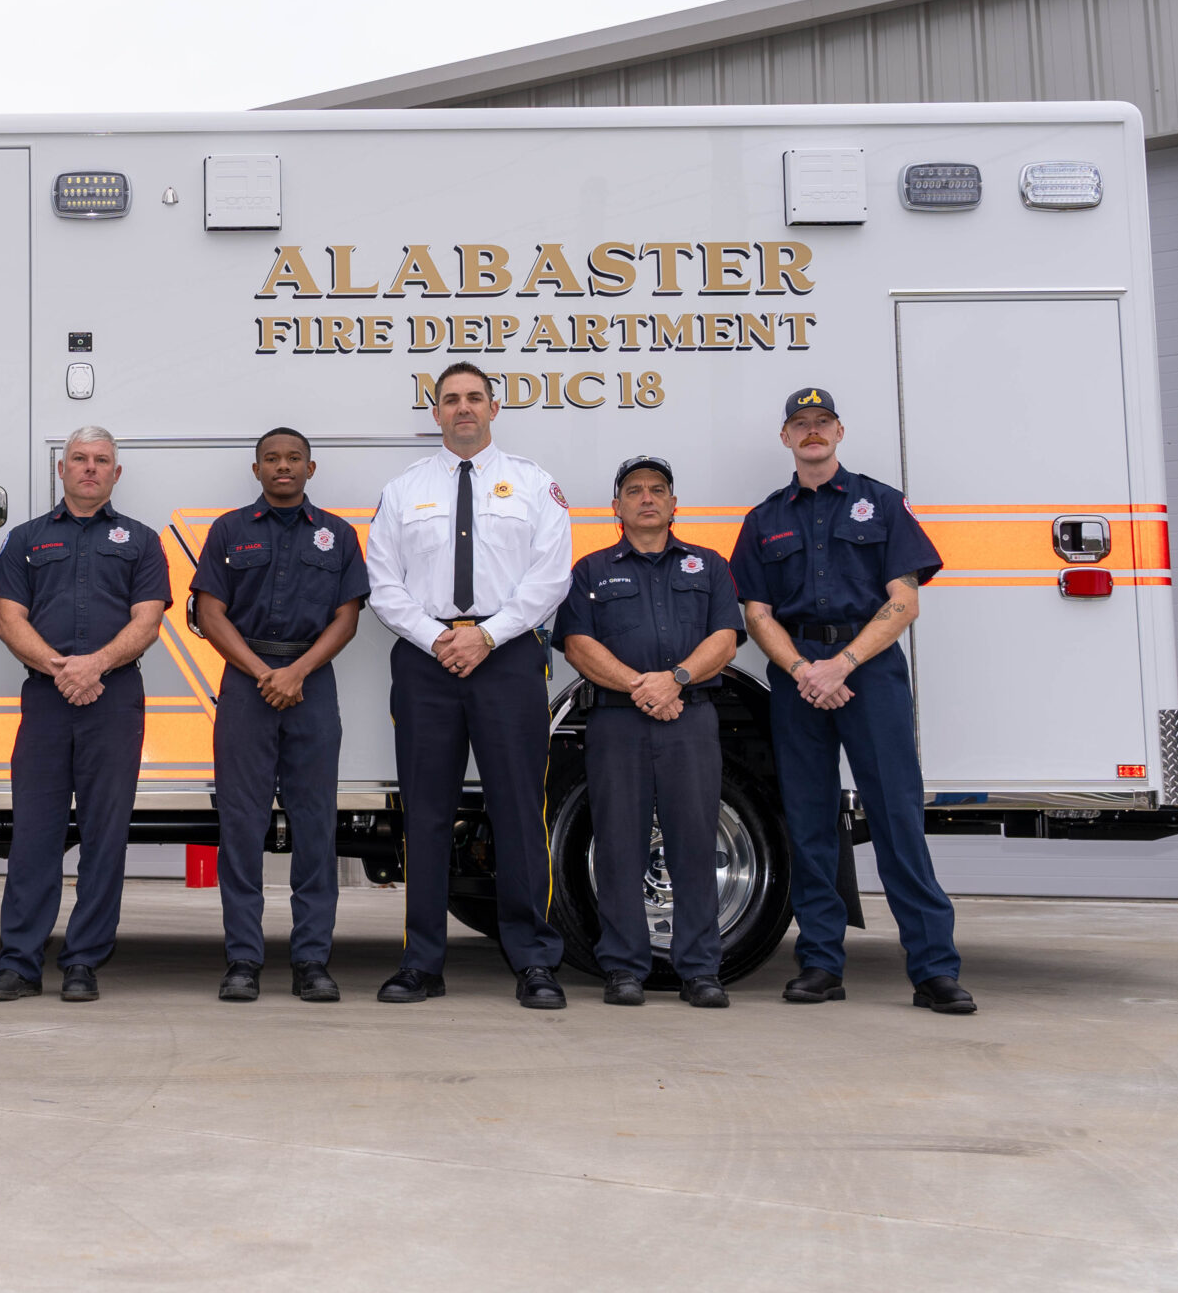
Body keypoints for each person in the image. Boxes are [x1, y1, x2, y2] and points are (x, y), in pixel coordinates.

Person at [730, 387, 975, 1014]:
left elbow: (905, 598)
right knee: (810, 824)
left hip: (869, 674)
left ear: (839, 431)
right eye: (800, 424)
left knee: (897, 818)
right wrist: (804, 670)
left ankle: (933, 969)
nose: (812, 432)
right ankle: (819, 963)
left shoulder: (881, 504)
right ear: (785, 438)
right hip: (797, 677)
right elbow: (756, 614)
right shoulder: (763, 520)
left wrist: (841, 664)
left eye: (822, 422)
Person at [366, 361, 572, 1008]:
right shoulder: (403, 490)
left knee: (517, 810)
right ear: (435, 412)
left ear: (494, 406)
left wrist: (486, 635)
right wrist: (439, 638)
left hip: (508, 657)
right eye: (450, 399)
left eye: (474, 397)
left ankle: (534, 961)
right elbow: (384, 584)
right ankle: (421, 963)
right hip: (427, 661)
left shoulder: (533, 484)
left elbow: (550, 577)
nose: (463, 408)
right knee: (425, 815)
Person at [0, 427, 171, 1003]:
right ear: (61, 470)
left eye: (102, 461)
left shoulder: (141, 541)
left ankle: (84, 961)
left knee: (104, 835)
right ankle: (19, 964)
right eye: (80, 460)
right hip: (45, 700)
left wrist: (94, 668)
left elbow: (148, 621)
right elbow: (9, 619)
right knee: (34, 834)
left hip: (113, 701)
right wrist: (62, 669)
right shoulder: (25, 540)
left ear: (117, 474)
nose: (90, 468)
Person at [554, 455, 742, 1008]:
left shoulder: (707, 567)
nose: (646, 498)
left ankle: (701, 970)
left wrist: (676, 680)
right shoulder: (589, 571)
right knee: (618, 845)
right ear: (616, 507)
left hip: (691, 718)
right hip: (616, 721)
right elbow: (577, 644)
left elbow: (726, 637)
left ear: (673, 503)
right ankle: (624, 968)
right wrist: (642, 685)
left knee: (691, 842)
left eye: (657, 489)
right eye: (633, 491)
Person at [189, 428, 368, 1003]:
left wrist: (296, 672)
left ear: (310, 469)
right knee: (241, 826)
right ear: (256, 468)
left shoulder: (336, 535)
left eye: (293, 459)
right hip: (246, 687)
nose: (282, 467)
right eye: (272, 459)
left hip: (311, 685)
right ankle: (243, 959)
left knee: (315, 826)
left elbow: (347, 618)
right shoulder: (228, 531)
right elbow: (209, 612)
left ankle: (312, 961)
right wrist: (261, 672)